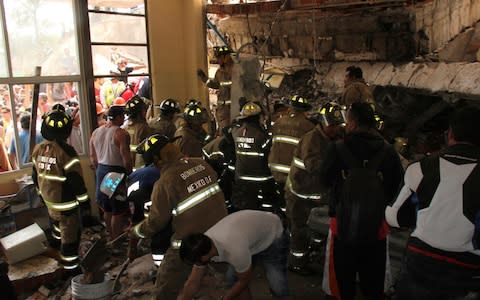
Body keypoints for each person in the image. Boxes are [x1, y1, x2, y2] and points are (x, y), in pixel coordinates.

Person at [385, 105, 480, 300]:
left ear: (450, 133)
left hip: (420, 262)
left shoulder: (419, 168)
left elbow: (394, 218)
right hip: (468, 270)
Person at [321, 102, 403, 300]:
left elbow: (324, 180)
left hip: (341, 225)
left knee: (341, 286)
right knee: (373, 285)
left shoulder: (337, 148)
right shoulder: (389, 152)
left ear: (353, 122)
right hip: (377, 228)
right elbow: (396, 189)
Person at [131, 134, 227, 300]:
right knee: (225, 279)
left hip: (190, 243)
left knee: (164, 287)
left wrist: (136, 231)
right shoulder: (201, 163)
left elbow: (156, 222)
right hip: (222, 233)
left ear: (156, 160)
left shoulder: (164, 183)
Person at [285, 102, 346, 275]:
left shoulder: (336, 137)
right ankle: (297, 263)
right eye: (331, 126)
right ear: (322, 123)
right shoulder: (312, 139)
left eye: (337, 125)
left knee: (316, 229)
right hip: (301, 194)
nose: (335, 129)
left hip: (319, 195)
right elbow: (314, 166)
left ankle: (313, 254)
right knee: (299, 230)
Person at [178, 210, 294, 300]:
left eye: (195, 262)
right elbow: (193, 282)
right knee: (232, 280)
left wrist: (225, 298)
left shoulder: (234, 250)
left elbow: (244, 280)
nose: (195, 264)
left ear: (203, 257)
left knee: (277, 285)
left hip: (274, 235)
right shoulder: (202, 244)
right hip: (250, 239)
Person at [32, 107, 90, 271]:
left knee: (57, 234)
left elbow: (34, 176)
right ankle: (71, 271)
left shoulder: (38, 149)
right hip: (66, 206)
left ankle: (57, 264)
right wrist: (85, 205)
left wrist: (42, 197)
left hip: (50, 204)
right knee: (70, 239)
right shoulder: (66, 152)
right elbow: (76, 182)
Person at [90, 105, 132, 239]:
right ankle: (117, 240)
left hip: (101, 170)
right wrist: (129, 173)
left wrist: (99, 171)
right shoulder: (121, 133)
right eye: (123, 116)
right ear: (119, 117)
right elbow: (126, 159)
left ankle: (111, 236)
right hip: (115, 172)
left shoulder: (96, 132)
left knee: (107, 208)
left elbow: (93, 157)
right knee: (117, 211)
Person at [268, 95, 315, 211]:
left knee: (279, 203)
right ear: (305, 111)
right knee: (290, 205)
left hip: (275, 171)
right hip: (292, 173)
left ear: (290, 108)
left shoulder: (278, 123)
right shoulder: (309, 126)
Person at [231, 102, 278, 212]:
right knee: (265, 207)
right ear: (258, 117)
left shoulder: (236, 132)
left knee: (247, 208)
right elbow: (270, 152)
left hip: (242, 178)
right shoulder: (262, 136)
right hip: (261, 179)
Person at [197, 46, 234, 134]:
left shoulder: (235, 70)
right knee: (223, 131)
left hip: (232, 109)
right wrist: (204, 78)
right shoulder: (219, 72)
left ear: (225, 57)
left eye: (219, 58)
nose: (217, 60)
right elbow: (216, 85)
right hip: (222, 109)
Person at [123, 96, 152, 168]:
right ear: (140, 113)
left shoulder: (125, 127)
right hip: (140, 165)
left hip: (127, 164)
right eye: (144, 110)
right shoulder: (144, 128)